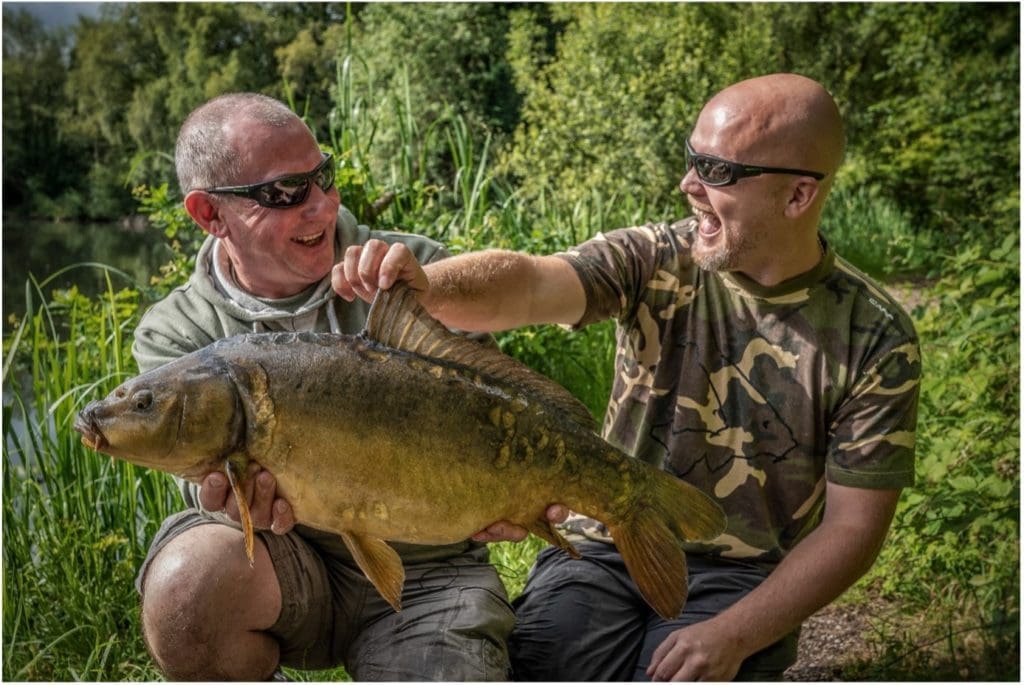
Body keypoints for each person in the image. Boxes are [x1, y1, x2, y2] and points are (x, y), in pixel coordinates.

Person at [333, 73, 921, 681]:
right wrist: (432, 285)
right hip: (599, 550)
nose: (688, 184)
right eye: (692, 158)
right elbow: (532, 284)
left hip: (744, 573)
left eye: (718, 171)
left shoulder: (874, 336)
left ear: (798, 195)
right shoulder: (654, 256)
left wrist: (734, 636)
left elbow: (853, 528)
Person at [132, 92, 517, 681]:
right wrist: (230, 498)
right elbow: (195, 478)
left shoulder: (407, 270)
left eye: (323, 177)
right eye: (284, 193)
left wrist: (512, 495)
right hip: (282, 563)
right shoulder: (178, 333)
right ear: (211, 214)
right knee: (188, 584)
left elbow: (497, 420)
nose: (321, 206)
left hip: (430, 569)